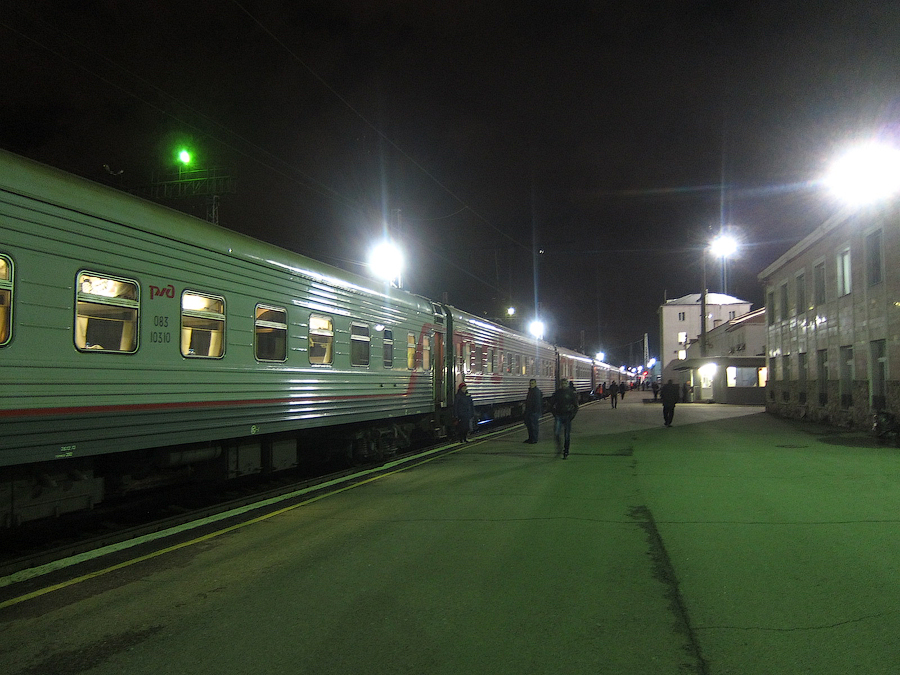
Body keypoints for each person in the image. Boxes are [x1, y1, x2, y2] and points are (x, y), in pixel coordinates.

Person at [551, 377, 579, 458]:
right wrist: (554, 414)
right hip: (559, 415)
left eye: (565, 383)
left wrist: (572, 416)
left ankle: (566, 451)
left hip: (567, 416)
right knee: (557, 433)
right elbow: (552, 404)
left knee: (567, 435)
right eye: (562, 383)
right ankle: (559, 447)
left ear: (567, 384)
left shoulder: (571, 393)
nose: (564, 385)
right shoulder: (557, 393)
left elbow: (576, 406)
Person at [523, 378, 543, 444]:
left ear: (535, 384)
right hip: (529, 411)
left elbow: (537, 403)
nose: (531, 385)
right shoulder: (531, 391)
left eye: (532, 383)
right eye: (530, 383)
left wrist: (534, 411)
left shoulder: (536, 391)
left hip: (533, 412)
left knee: (534, 426)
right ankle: (530, 438)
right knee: (530, 426)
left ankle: (534, 439)